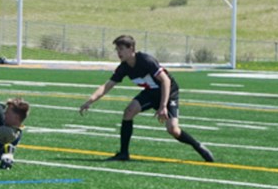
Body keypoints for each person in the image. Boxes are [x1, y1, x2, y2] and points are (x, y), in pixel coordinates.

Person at [78, 34, 214, 162]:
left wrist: (162, 106)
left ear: (131, 48)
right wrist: (89, 101)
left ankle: (198, 146)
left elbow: (165, 81)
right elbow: (107, 86)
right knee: (128, 112)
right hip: (151, 92)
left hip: (168, 91)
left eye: (121, 49)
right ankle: (123, 154)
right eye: (117, 50)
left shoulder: (145, 60)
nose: (118, 53)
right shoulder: (124, 67)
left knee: (173, 129)